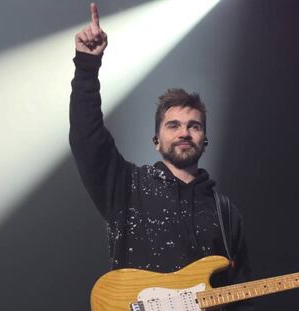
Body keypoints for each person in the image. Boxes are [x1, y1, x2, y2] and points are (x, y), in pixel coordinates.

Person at [70, 3, 254, 310]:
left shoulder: (226, 213)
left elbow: (242, 294)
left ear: (204, 139)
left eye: (193, 126)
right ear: (157, 140)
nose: (184, 132)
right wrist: (87, 67)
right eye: (174, 125)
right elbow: (86, 138)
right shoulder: (128, 186)